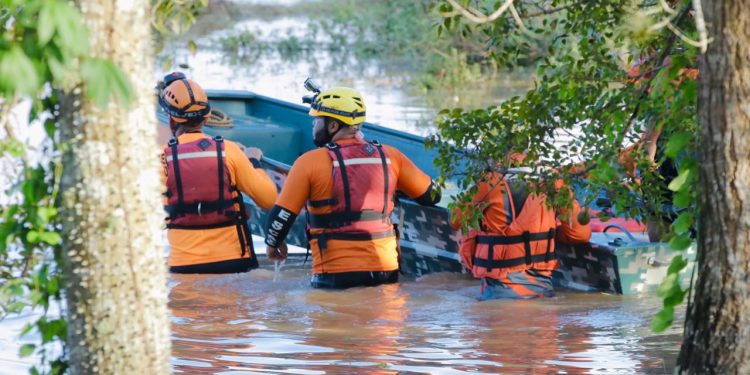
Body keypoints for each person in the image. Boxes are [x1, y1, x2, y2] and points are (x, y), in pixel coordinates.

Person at [263, 86, 441, 289]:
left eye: (317, 120)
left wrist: (272, 245)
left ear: (332, 126)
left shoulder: (308, 162)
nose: (313, 125)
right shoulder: (390, 156)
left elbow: (280, 217)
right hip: (385, 272)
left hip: (333, 275)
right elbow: (432, 196)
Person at [159, 72, 277, 273]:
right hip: (235, 264)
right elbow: (268, 200)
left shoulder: (161, 159)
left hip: (184, 267)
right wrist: (253, 160)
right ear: (206, 118)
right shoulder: (229, 150)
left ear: (171, 122)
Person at [452, 156, 591, 299]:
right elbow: (580, 234)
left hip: (499, 291)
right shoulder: (554, 180)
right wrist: (548, 233)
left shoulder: (489, 181)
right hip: (542, 290)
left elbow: (455, 220)